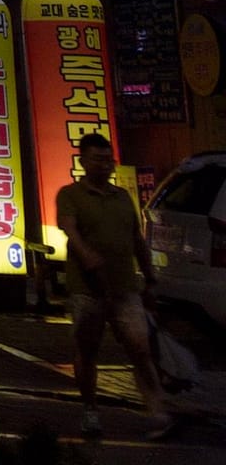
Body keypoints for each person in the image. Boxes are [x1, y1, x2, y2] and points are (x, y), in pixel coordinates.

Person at [55, 132, 172, 438]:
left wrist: (149, 277)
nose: (105, 165)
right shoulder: (70, 195)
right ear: (83, 160)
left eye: (109, 159)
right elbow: (70, 230)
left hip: (125, 288)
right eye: (98, 159)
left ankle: (158, 413)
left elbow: (136, 239)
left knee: (140, 349)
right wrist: (86, 254)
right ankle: (90, 411)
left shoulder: (122, 198)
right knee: (87, 349)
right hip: (87, 289)